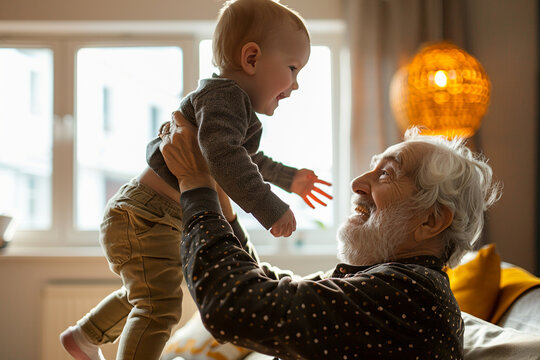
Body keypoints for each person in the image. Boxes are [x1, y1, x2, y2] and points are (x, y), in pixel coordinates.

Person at [59, 0, 331, 359]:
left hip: (155, 217)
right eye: (293, 69)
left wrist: (289, 178)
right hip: (143, 216)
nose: (296, 85)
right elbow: (225, 158)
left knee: (150, 290)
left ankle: (84, 336)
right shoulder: (223, 98)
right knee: (159, 306)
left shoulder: (234, 108)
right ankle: (87, 337)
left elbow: (246, 159)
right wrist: (270, 208)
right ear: (251, 59)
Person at [159, 117, 502, 360]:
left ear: (431, 219)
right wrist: (222, 204)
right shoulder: (396, 286)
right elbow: (272, 289)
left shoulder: (409, 296)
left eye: (386, 174)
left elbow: (234, 305)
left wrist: (195, 183)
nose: (358, 182)